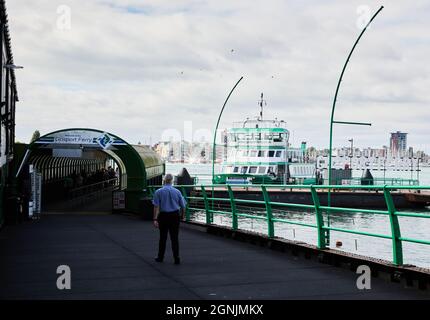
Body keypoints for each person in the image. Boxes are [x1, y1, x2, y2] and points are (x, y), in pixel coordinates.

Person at [152, 173, 186, 265]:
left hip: (163, 216)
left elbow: (156, 207)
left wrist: (155, 219)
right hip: (175, 216)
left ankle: (160, 257)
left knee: (163, 237)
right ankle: (176, 258)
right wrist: (182, 216)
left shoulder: (158, 192)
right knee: (174, 238)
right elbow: (183, 206)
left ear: (164, 180)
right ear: (172, 181)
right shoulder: (177, 192)